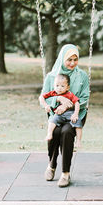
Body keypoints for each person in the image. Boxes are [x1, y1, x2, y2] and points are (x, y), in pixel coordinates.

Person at [38, 44, 89, 187]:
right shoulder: (51, 77)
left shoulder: (82, 76)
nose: (72, 63)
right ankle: (52, 164)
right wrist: (58, 100)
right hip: (56, 114)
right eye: (69, 60)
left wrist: (68, 105)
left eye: (75, 59)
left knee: (66, 132)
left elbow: (85, 98)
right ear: (62, 59)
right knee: (55, 132)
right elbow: (44, 98)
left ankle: (65, 173)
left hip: (76, 114)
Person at [41, 73, 82, 147]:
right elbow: (41, 97)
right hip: (58, 115)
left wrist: (75, 114)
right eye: (57, 85)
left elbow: (77, 103)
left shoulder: (69, 94)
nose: (59, 88)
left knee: (78, 123)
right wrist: (45, 105)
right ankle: (49, 134)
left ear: (67, 87)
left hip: (69, 113)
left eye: (62, 86)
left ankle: (78, 141)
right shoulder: (53, 93)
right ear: (54, 85)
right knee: (52, 121)